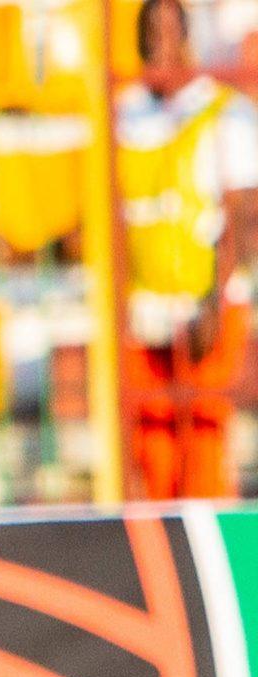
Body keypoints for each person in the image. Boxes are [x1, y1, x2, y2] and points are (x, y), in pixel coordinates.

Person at [118, 0, 258, 500]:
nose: (156, 44)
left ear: (186, 37)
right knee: (152, 457)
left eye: (166, 31)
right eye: (146, 32)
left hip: (207, 309)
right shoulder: (122, 115)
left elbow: (243, 218)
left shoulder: (225, 112)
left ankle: (203, 562)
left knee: (202, 446)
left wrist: (214, 304)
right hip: (142, 312)